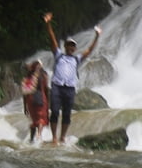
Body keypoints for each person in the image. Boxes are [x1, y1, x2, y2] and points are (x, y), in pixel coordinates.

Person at [43, 12, 101, 145]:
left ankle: (62, 137)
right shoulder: (59, 55)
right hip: (57, 87)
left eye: (72, 46)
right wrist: (48, 24)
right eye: (68, 45)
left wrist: (97, 36)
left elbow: (89, 50)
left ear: (74, 49)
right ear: (65, 47)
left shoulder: (77, 59)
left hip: (69, 89)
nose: (70, 47)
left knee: (67, 114)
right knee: (55, 112)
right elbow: (52, 40)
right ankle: (54, 138)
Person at [21, 60, 49, 143]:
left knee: (34, 120)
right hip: (41, 98)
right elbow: (46, 89)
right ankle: (39, 135)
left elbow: (24, 94)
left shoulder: (26, 79)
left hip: (30, 100)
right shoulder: (43, 76)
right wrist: (48, 102)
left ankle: (31, 139)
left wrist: (25, 107)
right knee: (41, 119)